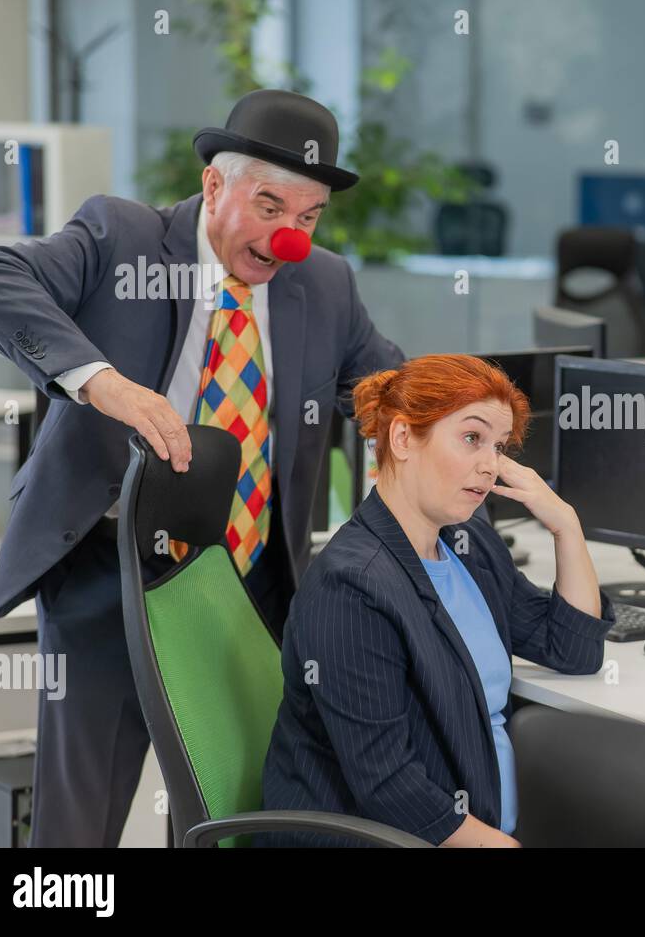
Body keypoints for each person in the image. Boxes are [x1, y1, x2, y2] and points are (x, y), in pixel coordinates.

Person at [0, 89, 404, 847]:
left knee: (242, 813)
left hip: (254, 587)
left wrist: (467, 419)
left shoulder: (324, 283)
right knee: (79, 826)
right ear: (213, 185)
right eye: (269, 206)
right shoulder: (123, 236)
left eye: (308, 218)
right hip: (115, 573)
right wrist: (103, 382)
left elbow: (388, 397)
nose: (290, 237)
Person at [261, 355, 615, 846]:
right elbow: (390, 786)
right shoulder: (351, 587)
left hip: (489, 824)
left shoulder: (470, 546)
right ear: (403, 438)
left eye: (499, 446)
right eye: (472, 438)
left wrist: (565, 525)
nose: (490, 464)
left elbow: (574, 651)